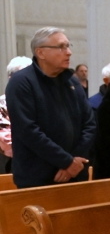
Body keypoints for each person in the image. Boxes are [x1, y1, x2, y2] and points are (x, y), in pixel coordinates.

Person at [6, 27, 94, 187]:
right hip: (38, 177)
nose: (68, 52)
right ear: (40, 53)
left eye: (68, 46)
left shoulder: (72, 82)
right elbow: (28, 131)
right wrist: (67, 161)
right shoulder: (21, 83)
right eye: (61, 47)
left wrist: (74, 163)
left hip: (76, 173)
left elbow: (89, 124)